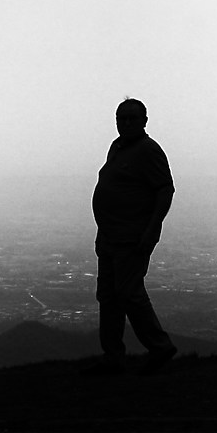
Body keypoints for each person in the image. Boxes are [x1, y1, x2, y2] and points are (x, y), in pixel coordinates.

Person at [90, 97, 179, 373]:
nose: (126, 123)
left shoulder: (148, 150)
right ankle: (113, 356)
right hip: (110, 237)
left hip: (132, 237)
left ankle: (160, 347)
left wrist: (151, 231)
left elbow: (165, 190)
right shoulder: (117, 148)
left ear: (144, 121)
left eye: (132, 118)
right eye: (122, 118)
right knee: (108, 296)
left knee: (129, 294)